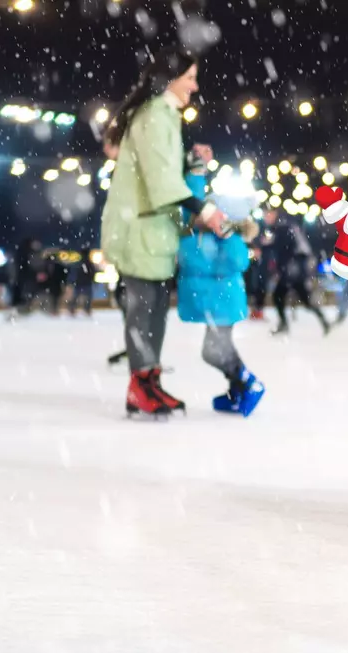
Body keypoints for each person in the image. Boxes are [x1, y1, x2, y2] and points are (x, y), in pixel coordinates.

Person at [100, 46, 229, 418]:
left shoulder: (164, 117)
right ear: (168, 80)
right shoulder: (155, 116)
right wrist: (205, 209)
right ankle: (141, 385)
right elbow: (161, 182)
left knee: (155, 309)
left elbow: (163, 172)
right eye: (188, 77)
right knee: (143, 311)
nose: (194, 85)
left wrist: (191, 163)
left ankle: (149, 382)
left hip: (153, 229)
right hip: (139, 227)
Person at [176, 149, 266, 417]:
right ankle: (237, 388)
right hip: (213, 301)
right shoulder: (196, 232)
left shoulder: (229, 239)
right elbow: (190, 202)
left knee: (213, 351)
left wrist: (226, 236)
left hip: (223, 301)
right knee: (218, 349)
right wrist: (196, 171)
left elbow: (239, 262)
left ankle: (249, 383)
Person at [264, 209, 330, 336]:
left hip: (291, 272)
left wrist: (284, 269)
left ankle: (284, 324)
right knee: (301, 299)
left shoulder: (282, 228)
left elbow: (288, 250)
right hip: (293, 272)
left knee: (280, 296)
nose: (266, 217)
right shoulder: (284, 227)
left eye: (268, 214)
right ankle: (322, 320)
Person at [69, 248, 96, 317]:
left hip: (79, 283)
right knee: (88, 297)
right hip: (86, 283)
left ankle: (72, 309)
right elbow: (93, 273)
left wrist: (72, 281)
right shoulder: (89, 263)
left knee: (76, 297)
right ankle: (87, 310)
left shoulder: (79, 263)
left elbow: (74, 273)